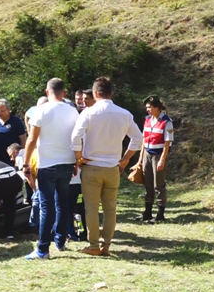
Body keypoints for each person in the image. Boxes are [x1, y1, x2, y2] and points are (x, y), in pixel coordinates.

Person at [71, 77, 143, 256]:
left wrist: (79, 158)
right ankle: (107, 245)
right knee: (110, 208)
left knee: (92, 208)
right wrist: (125, 159)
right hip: (113, 167)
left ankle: (94, 245)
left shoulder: (88, 112)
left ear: (95, 94)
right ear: (112, 93)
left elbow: (75, 137)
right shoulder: (124, 114)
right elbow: (138, 139)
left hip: (92, 166)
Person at [23, 78, 79, 260]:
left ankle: (42, 249)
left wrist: (25, 163)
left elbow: (31, 139)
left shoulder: (41, 110)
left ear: (47, 92)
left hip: (47, 162)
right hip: (67, 161)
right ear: (64, 92)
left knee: (47, 205)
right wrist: (77, 161)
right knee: (62, 202)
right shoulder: (73, 111)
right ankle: (60, 240)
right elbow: (78, 138)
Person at [132, 95, 174, 224]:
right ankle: (147, 213)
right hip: (147, 154)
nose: (148, 110)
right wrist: (140, 159)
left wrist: (162, 159)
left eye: (150, 107)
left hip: (158, 154)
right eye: (147, 108)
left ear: (157, 107)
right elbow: (144, 140)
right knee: (147, 183)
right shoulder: (147, 120)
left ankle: (160, 214)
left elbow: (168, 142)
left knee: (159, 184)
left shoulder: (167, 121)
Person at [0, 99, 27, 166]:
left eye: (2, 111)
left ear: (8, 110)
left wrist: (23, 156)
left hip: (13, 158)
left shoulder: (16, 121)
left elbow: (23, 139)